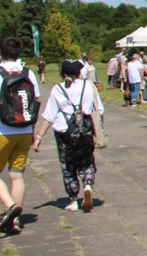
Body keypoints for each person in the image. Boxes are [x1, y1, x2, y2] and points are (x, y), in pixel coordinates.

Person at [0, 37, 40, 234]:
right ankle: (16, 222)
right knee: (17, 175)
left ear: (1, 52)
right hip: (24, 129)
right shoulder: (28, 73)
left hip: (1, 130)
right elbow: (35, 102)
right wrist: (33, 130)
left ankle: (9, 205)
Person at [32, 59, 103, 212]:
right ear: (79, 72)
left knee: (67, 163)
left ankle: (72, 199)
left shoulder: (58, 89)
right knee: (86, 159)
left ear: (63, 74)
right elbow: (98, 109)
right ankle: (88, 185)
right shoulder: (88, 86)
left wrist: (39, 137)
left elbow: (49, 116)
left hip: (65, 131)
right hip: (85, 129)